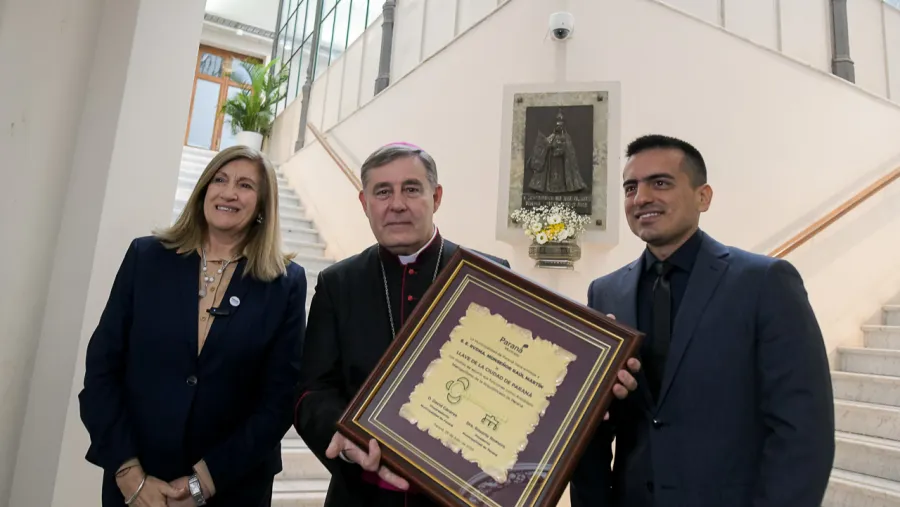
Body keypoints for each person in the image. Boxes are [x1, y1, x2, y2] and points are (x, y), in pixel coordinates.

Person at [292, 142, 640, 507]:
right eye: (383, 192)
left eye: (411, 189)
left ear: (436, 196)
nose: (397, 204)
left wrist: (592, 372)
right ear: (364, 203)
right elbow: (311, 392)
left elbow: (526, 375)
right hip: (362, 496)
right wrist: (346, 437)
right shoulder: (338, 283)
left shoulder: (487, 277)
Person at [569, 134, 835, 507]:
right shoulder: (605, 293)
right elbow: (594, 426)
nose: (641, 197)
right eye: (631, 187)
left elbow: (803, 430)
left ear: (703, 196)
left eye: (660, 183)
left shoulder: (765, 282)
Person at [79, 146, 307, 507]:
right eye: (220, 179)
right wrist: (129, 474)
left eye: (245, 185)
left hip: (233, 485)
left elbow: (279, 399)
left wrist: (206, 481)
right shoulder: (146, 257)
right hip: (138, 483)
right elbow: (103, 370)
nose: (229, 192)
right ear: (204, 189)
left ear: (263, 204)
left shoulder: (286, 283)